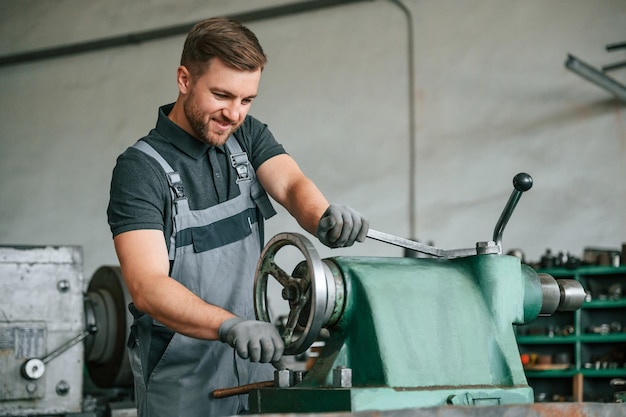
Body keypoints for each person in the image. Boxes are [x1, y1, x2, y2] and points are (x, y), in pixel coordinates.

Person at [107, 17, 368, 417]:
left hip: (256, 364)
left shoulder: (244, 136)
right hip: (182, 380)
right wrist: (228, 326)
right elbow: (147, 286)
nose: (234, 113)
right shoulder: (140, 171)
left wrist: (323, 218)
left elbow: (291, 184)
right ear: (183, 79)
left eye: (247, 100)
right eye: (222, 95)